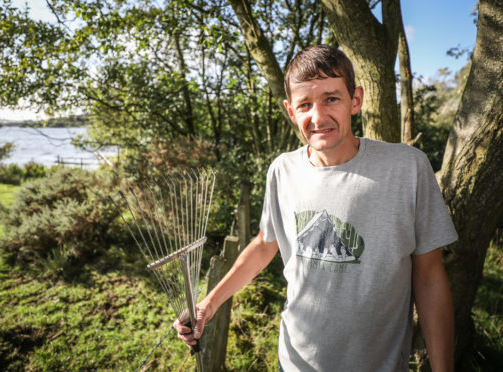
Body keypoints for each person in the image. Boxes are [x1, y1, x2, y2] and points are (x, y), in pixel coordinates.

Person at [174, 44, 458, 372]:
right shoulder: (282, 170)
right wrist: (207, 304)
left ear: (356, 100)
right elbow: (266, 243)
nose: (318, 117)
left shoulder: (407, 167)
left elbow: (430, 277)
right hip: (295, 362)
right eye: (305, 104)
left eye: (331, 98)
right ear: (291, 111)